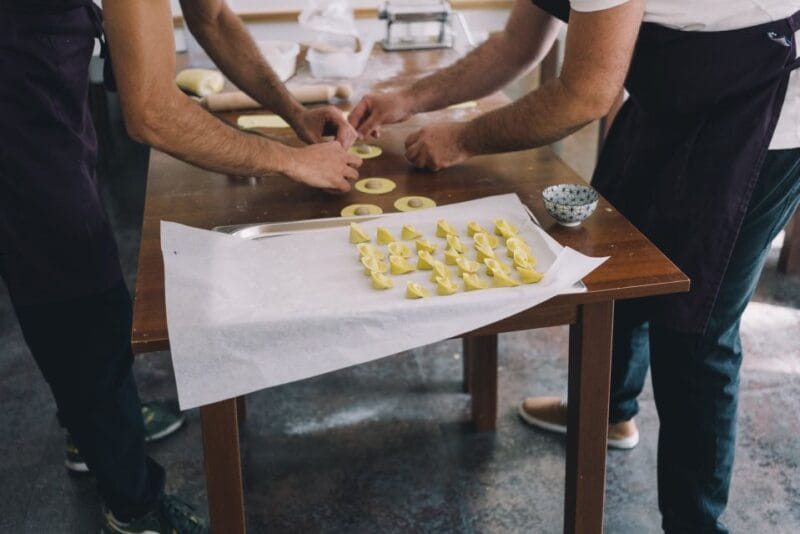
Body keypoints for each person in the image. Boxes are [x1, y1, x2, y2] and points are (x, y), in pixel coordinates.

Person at [348, 0, 800, 531]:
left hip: (762, 106)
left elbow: (584, 95)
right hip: (674, 94)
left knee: (694, 328)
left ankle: (695, 523)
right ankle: (609, 412)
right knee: (613, 255)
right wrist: (407, 99)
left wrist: (462, 138)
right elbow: (515, 45)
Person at [0, 0, 362, 531]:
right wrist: (289, 160)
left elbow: (211, 16)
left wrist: (294, 114)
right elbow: (151, 113)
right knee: (79, 290)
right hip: (16, 94)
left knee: (75, 274)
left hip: (40, 74)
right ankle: (134, 508)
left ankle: (91, 425)